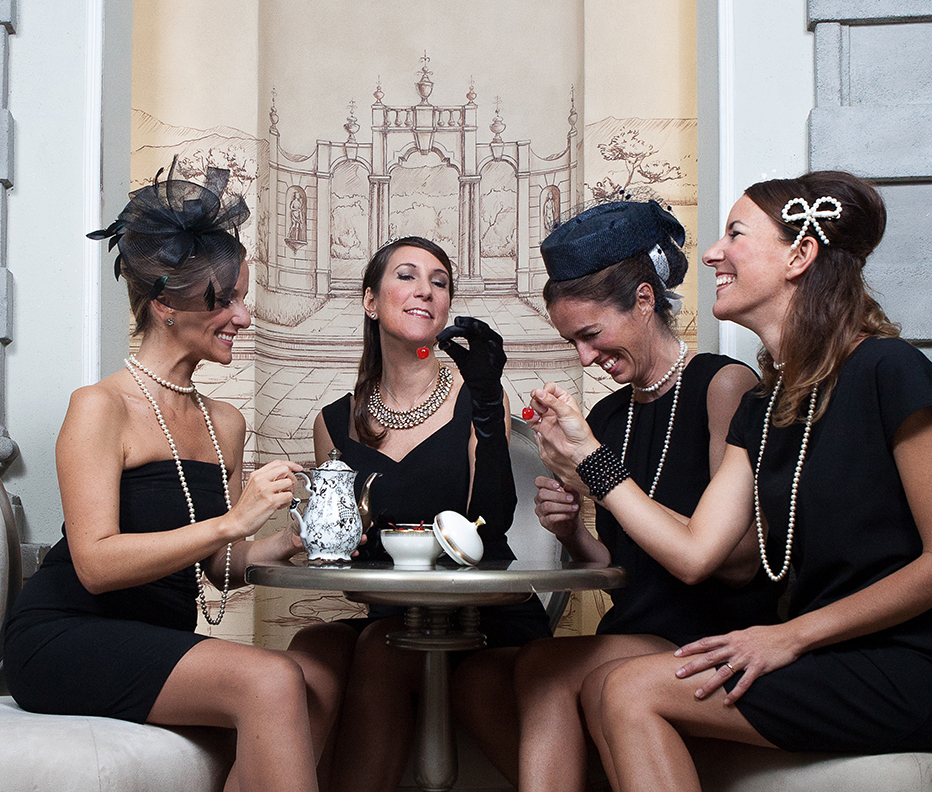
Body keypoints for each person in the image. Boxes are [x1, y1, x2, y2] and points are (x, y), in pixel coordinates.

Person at [528, 171, 932, 791]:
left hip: (911, 666)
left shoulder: (888, 369)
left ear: (799, 256)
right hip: (817, 657)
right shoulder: (762, 407)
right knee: (614, 686)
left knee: (629, 688)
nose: (711, 253)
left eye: (735, 234)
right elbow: (697, 552)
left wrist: (788, 636)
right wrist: (590, 458)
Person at [3, 162, 354, 792]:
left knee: (321, 677)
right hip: (67, 634)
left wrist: (289, 541)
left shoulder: (225, 423)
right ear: (165, 305)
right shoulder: (101, 407)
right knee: (273, 678)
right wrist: (233, 520)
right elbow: (95, 565)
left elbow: (219, 567)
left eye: (243, 297)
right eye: (227, 300)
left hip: (158, 635)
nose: (244, 317)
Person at [505, 199, 779, 792]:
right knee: (511, 669)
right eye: (573, 343)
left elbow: (738, 561)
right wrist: (572, 530)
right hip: (640, 626)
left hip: (716, 628)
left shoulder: (724, 385)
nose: (585, 358)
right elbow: (625, 570)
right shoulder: (607, 416)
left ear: (646, 300)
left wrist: (600, 476)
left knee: (545, 667)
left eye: (591, 335)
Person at [288, 235, 551, 792]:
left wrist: (486, 403)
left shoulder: (479, 396)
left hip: (484, 617)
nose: (425, 290)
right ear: (370, 301)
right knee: (315, 647)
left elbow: (494, 521)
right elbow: (345, 553)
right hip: (395, 613)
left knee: (379, 651)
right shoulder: (334, 423)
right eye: (406, 276)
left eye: (439, 282)